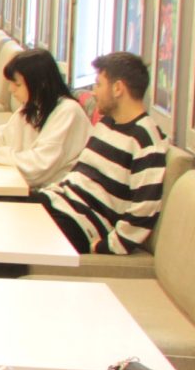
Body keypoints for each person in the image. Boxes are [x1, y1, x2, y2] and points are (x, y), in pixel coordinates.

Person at [42, 51, 166, 254]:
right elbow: (80, 174)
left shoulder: (146, 141)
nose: (93, 92)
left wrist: (104, 247)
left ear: (118, 88)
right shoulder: (107, 123)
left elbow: (144, 211)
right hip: (58, 202)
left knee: (6, 239)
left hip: (80, 224)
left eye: (99, 84)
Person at [0, 46, 87, 189]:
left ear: (41, 84)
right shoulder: (34, 105)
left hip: (53, 192)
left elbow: (38, 167)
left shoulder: (67, 112)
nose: (11, 89)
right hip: (28, 185)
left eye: (17, 84)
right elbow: (6, 140)